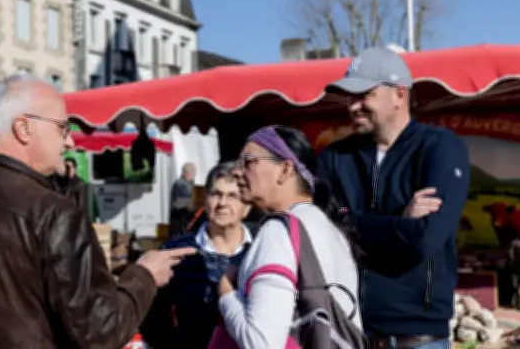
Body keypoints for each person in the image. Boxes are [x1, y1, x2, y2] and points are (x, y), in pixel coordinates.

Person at [0, 74, 195, 349]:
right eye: (62, 128)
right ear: (24, 128)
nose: (69, 143)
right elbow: (100, 332)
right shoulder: (54, 212)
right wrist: (144, 276)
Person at [319, 47, 470, 348]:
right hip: (351, 332)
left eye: (364, 94)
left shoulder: (440, 148)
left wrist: (352, 222)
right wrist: (399, 220)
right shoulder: (335, 157)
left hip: (418, 337)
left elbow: (424, 238)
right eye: (349, 96)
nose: (353, 106)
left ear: (400, 94)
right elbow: (324, 231)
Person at [216, 126, 362, 348]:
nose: (236, 171)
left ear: (285, 169)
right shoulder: (333, 230)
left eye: (248, 162)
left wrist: (227, 295)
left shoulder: (278, 231)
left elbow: (261, 343)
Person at [140, 161, 252, 349]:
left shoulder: (261, 251)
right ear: (205, 200)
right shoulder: (176, 253)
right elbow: (151, 318)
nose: (223, 203)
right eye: (216, 194)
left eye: (233, 195)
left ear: (247, 207)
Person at [169, 162, 196, 237]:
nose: (193, 175)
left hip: (182, 221)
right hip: (180, 222)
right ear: (186, 173)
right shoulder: (181, 184)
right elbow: (182, 202)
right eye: (192, 172)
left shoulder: (186, 184)